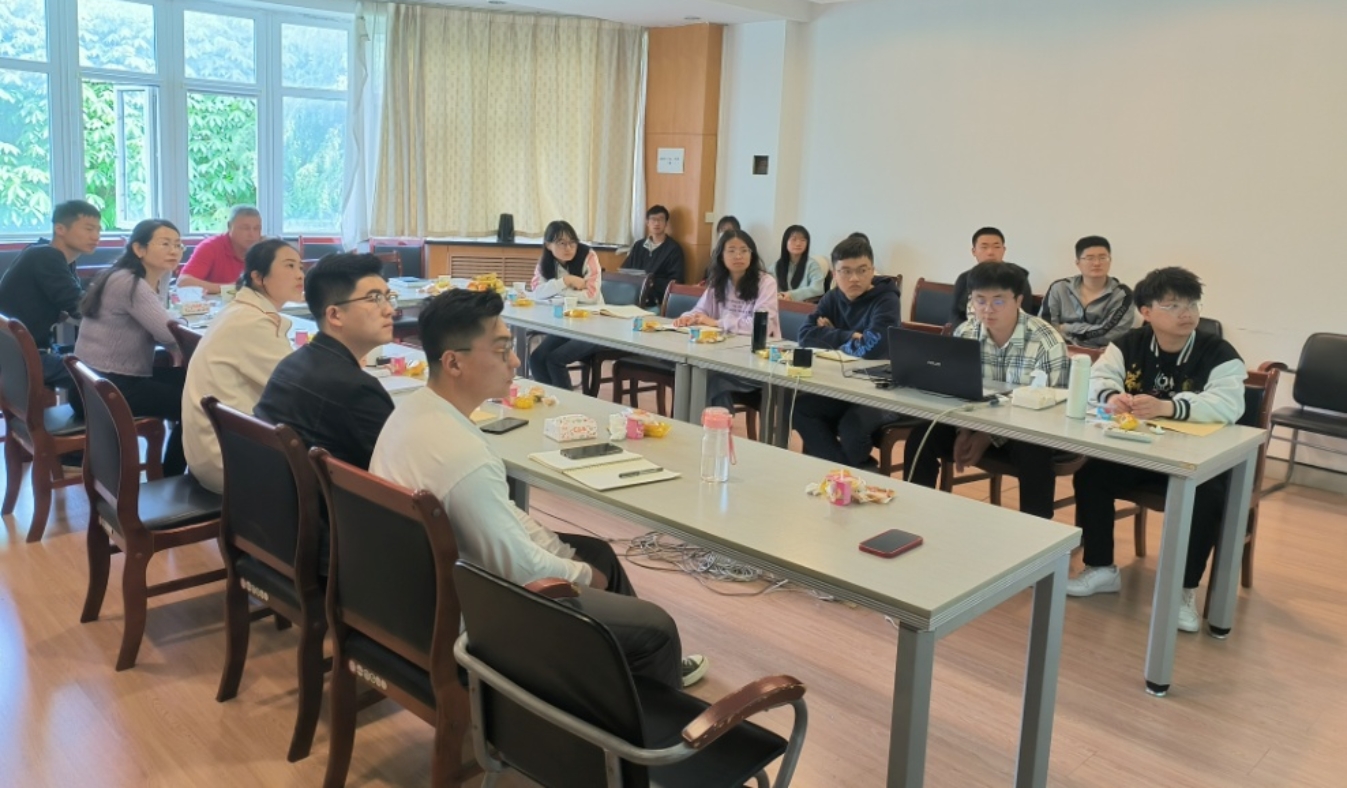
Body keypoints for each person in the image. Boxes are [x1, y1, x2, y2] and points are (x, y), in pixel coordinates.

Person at [370, 289, 708, 689]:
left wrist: (564, 555)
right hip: (463, 615)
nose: (515, 361)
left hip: (414, 593)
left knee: (598, 554)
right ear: (454, 362)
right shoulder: (464, 456)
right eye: (501, 350)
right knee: (655, 627)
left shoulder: (413, 409)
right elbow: (521, 569)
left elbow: (501, 517)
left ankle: (615, 685)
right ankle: (635, 714)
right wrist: (582, 575)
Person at [1067, 267, 1245, 632]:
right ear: (1146, 311)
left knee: (1207, 495)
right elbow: (1098, 379)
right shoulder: (1128, 344)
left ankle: (1183, 590)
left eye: (1192, 304)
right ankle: (1100, 567)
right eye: (1173, 305)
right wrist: (1111, 397)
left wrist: (1168, 406)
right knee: (1091, 475)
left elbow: (1230, 404)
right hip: (1141, 452)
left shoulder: (1218, 351)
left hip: (1195, 460)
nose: (1187, 313)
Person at [903, 262, 1069, 519]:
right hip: (973, 423)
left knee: (1034, 453)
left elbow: (1048, 410)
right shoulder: (966, 332)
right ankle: (913, 515)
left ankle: (1038, 534)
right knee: (921, 437)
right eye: (980, 300)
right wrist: (963, 429)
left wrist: (987, 436)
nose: (988, 309)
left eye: (998, 301)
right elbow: (955, 391)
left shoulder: (1046, 341)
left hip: (1027, 430)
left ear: (1018, 300)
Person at [182, 239, 305, 493]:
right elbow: (301, 388)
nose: (300, 275)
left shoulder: (242, 310)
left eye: (300, 267)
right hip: (228, 461)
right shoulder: (251, 322)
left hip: (216, 449)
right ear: (258, 277)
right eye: (289, 266)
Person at [255, 253, 395, 470]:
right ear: (335, 315)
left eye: (388, 297)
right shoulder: (357, 391)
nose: (389, 310)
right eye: (374, 299)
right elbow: (401, 469)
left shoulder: (291, 364)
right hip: (332, 493)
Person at [73, 219, 187, 475]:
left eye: (178, 245)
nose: (174, 250)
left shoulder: (143, 275)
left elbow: (161, 324)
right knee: (196, 404)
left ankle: (175, 474)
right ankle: (172, 478)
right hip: (107, 386)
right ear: (139, 249)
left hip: (93, 381)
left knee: (197, 384)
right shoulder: (131, 283)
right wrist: (187, 325)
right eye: (165, 244)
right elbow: (167, 333)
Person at [792, 235, 902, 468]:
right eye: (846, 271)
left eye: (862, 270)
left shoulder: (886, 300)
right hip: (842, 384)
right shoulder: (833, 297)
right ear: (834, 274)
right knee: (799, 409)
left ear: (872, 270)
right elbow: (805, 336)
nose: (854, 278)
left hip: (881, 390)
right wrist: (847, 335)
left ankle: (847, 473)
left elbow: (872, 349)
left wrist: (830, 336)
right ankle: (856, 471)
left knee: (852, 427)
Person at [0, 200, 101, 393]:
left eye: (98, 230)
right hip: (26, 358)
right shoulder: (46, 256)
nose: (96, 236)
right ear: (60, 229)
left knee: (101, 363)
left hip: (20, 353)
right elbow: (79, 306)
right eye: (89, 229)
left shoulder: (44, 252)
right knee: (107, 375)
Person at [673, 230, 780, 408]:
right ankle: (697, 423)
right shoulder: (718, 281)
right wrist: (688, 318)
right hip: (724, 356)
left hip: (756, 362)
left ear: (752, 255)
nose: (738, 256)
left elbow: (761, 326)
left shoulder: (766, 283)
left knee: (711, 379)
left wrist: (717, 323)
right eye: (731, 250)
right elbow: (700, 310)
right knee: (692, 373)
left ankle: (711, 425)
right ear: (721, 256)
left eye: (744, 250)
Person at [527, 220, 605, 390]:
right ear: (548, 245)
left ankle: (566, 404)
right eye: (561, 243)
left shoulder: (589, 256)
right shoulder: (545, 261)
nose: (568, 248)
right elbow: (537, 292)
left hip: (593, 327)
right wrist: (566, 281)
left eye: (572, 242)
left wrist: (556, 293)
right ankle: (550, 399)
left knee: (555, 359)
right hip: (565, 326)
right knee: (536, 359)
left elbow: (591, 296)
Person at [1039, 236, 1137, 349]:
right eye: (1089, 258)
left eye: (1103, 257)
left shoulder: (1123, 295)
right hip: (1059, 350)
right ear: (1078, 263)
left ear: (1110, 261)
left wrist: (1065, 328)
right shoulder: (1059, 288)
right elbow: (1045, 328)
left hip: (1103, 355)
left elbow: (1110, 334)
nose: (1097, 263)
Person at [950, 227, 1033, 324]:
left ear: (1003, 250)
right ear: (974, 251)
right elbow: (954, 315)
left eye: (996, 247)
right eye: (984, 247)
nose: (990, 252)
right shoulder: (964, 278)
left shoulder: (1017, 277)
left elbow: (1024, 314)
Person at [176, 206, 263, 294]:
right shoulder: (211, 247)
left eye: (257, 228)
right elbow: (183, 282)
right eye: (245, 228)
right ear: (229, 226)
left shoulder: (265, 249)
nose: (252, 234)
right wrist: (233, 288)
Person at [621, 205, 685, 307]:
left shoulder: (673, 249)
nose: (656, 223)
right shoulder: (639, 245)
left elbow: (676, 281)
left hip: (656, 300)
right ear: (647, 223)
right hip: (633, 295)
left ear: (666, 223)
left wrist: (652, 283)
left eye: (660, 219)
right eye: (653, 219)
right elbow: (625, 270)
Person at [772, 225, 829, 302]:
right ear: (785, 242)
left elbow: (818, 288)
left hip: (802, 306)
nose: (798, 243)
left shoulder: (812, 265)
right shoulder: (775, 266)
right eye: (794, 239)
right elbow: (768, 288)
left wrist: (792, 295)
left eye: (803, 240)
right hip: (779, 305)